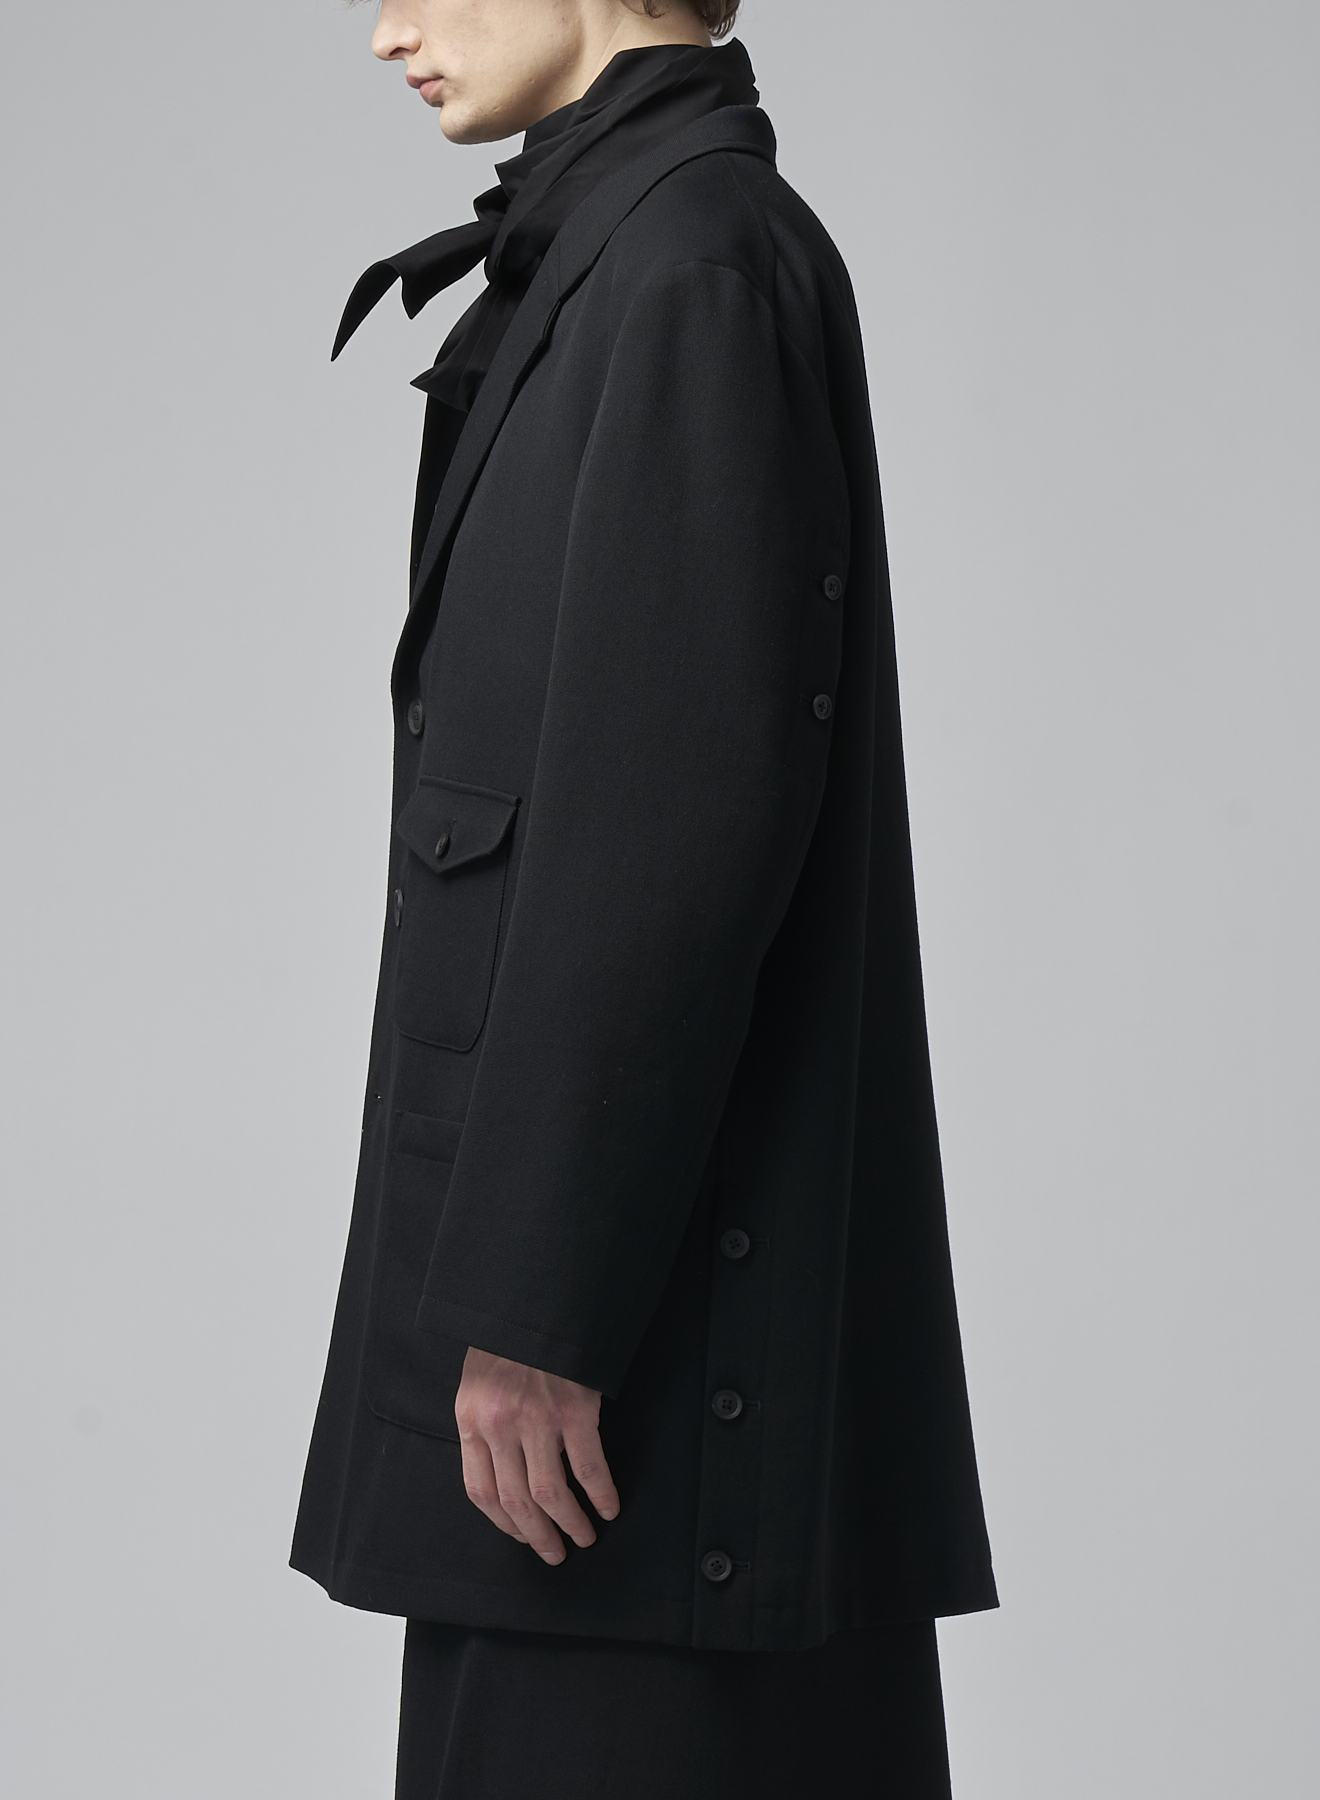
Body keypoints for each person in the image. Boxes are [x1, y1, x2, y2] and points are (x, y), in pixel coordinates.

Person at [291, 2, 998, 1793]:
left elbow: (669, 832)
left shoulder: (690, 266)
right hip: (625, 1360)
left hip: (638, 1386)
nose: (387, 32)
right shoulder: (633, 250)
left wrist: (538, 1316)